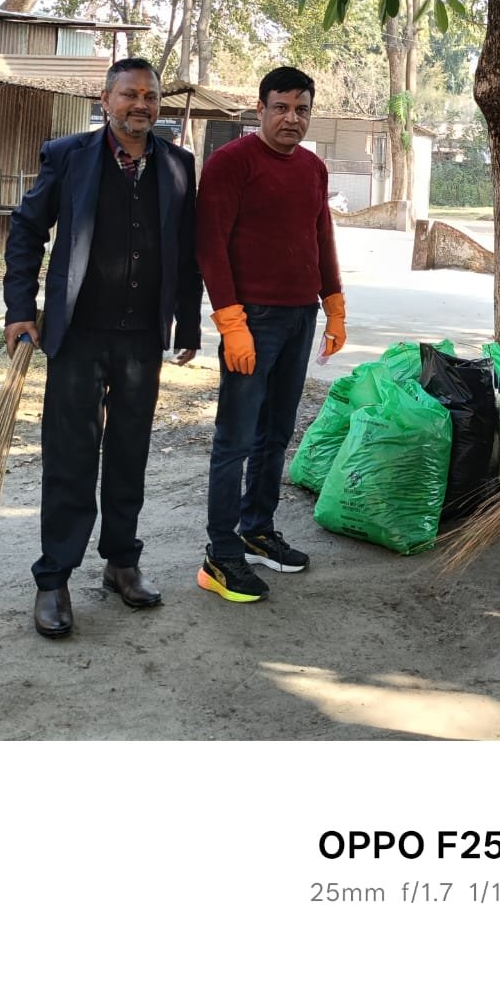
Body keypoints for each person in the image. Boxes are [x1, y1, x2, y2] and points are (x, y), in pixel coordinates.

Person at [3, 58, 202, 639]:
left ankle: (122, 561)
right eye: (129, 94)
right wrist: (19, 309)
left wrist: (187, 325)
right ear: (106, 100)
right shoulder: (67, 156)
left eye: (151, 96)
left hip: (141, 338)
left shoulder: (178, 165)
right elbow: (26, 229)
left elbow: (187, 251)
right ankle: (54, 578)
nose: (141, 105)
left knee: (129, 452)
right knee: (70, 455)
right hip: (79, 334)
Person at [195, 66, 345, 604]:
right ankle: (220, 553)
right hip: (252, 320)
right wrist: (230, 322)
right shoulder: (230, 163)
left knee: (276, 433)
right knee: (234, 439)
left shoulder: (312, 167)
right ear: (259, 109)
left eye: (301, 109)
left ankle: (257, 529)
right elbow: (210, 245)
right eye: (280, 107)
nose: (291, 118)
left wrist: (334, 303)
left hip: (300, 315)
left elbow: (320, 234)